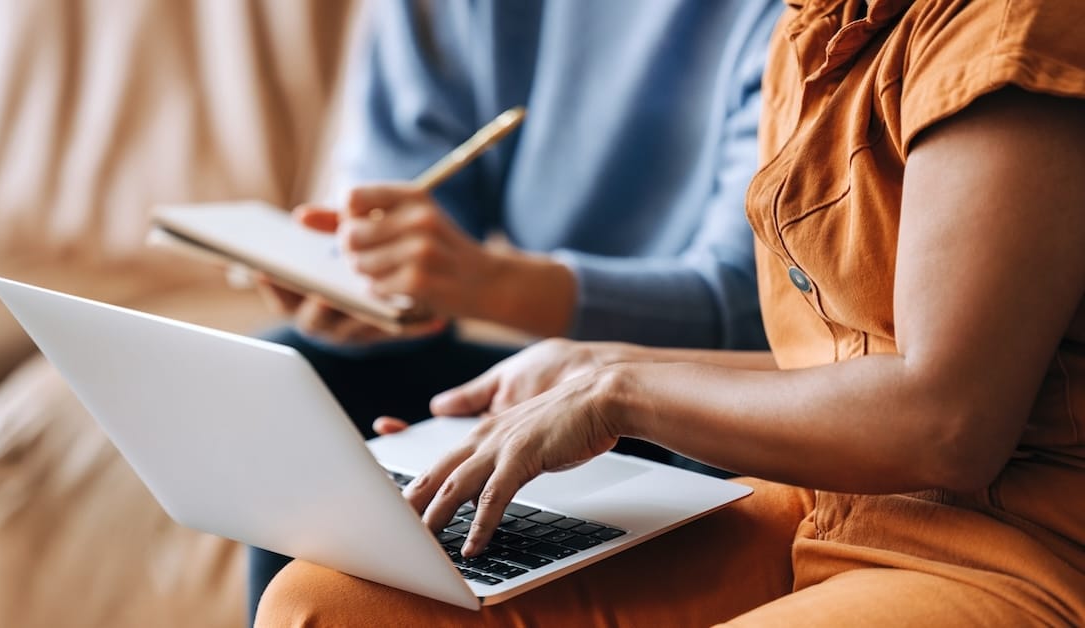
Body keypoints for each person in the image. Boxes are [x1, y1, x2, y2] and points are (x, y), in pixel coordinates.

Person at [254, 0, 1085, 625]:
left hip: (1007, 546)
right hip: (818, 501)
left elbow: (949, 422)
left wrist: (622, 392)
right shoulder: (817, 26)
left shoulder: (1011, 29)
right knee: (331, 602)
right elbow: (841, 362)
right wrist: (588, 368)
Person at [245, 0, 784, 618]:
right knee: (309, 374)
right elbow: (399, 200)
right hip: (554, 364)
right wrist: (367, 286)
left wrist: (487, 284)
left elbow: (753, 304)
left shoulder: (795, 18)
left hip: (711, 393)